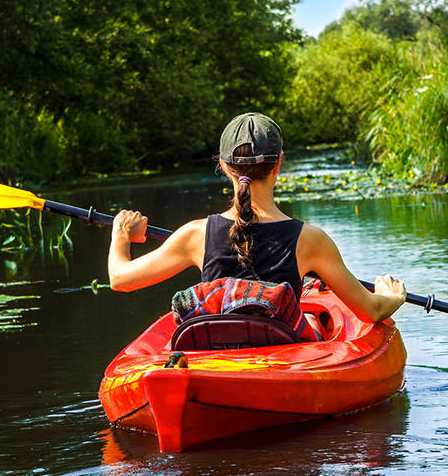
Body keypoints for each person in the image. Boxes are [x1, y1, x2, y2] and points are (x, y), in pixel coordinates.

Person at [107, 112, 407, 325]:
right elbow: (371, 311)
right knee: (313, 321)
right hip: (281, 354)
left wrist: (121, 234)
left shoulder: (195, 235)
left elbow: (120, 280)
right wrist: (391, 297)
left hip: (218, 354)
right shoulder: (310, 240)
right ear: (279, 163)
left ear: (224, 166)